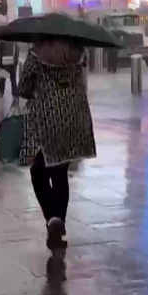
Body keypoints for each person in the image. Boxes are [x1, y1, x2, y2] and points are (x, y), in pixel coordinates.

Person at [18, 37, 96, 249]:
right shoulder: (78, 54)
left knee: (38, 171)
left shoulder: (36, 56)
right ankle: (58, 222)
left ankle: (52, 218)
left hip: (45, 120)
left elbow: (23, 88)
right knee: (60, 173)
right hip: (71, 118)